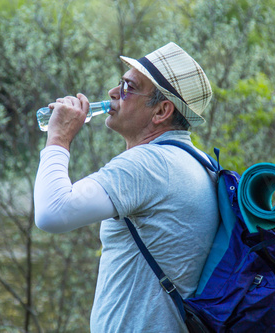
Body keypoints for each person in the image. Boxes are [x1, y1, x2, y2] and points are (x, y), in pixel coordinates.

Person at [34, 42, 219, 332]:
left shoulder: (149, 164)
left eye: (128, 87)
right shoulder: (202, 164)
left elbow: (51, 213)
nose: (113, 92)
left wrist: (58, 138)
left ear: (161, 111)